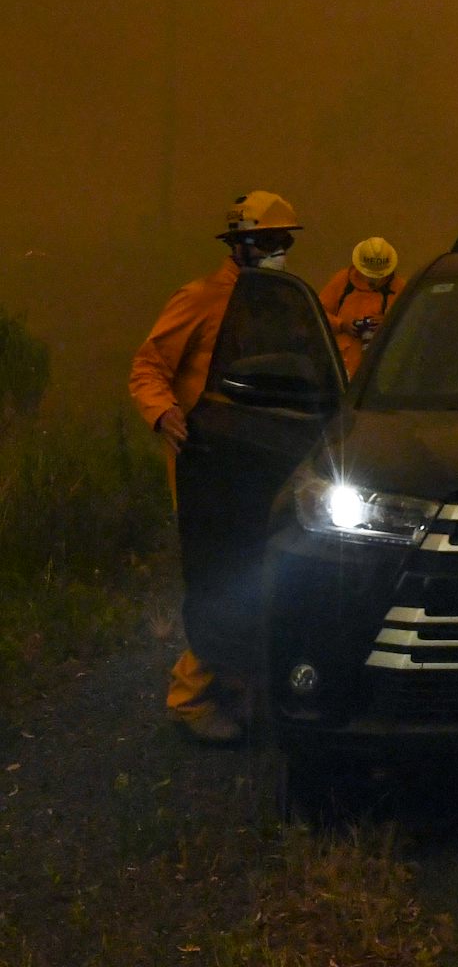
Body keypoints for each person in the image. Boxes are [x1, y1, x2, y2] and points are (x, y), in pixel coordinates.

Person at [129, 190, 301, 744]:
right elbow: (148, 365)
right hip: (206, 465)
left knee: (260, 571)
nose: (280, 251)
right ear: (243, 245)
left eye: (285, 241)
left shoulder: (275, 302)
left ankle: (238, 683)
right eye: (271, 242)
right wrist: (163, 415)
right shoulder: (201, 299)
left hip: (258, 459)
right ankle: (190, 694)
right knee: (222, 577)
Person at [320, 237, 404, 376]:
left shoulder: (399, 288)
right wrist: (342, 325)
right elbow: (317, 315)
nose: (374, 279)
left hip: (380, 368)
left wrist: (388, 323)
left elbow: (413, 325)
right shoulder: (342, 281)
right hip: (340, 364)